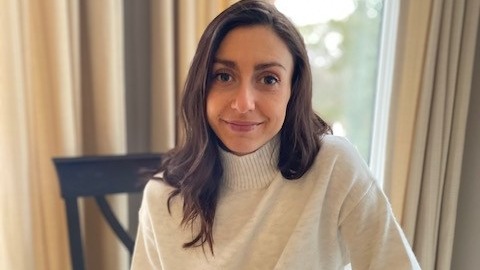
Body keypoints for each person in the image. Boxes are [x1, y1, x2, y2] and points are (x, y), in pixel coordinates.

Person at [131, 0, 421, 269]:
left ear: (292, 91)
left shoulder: (333, 167)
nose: (244, 103)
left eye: (268, 79)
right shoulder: (162, 197)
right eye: (224, 76)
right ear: (201, 86)